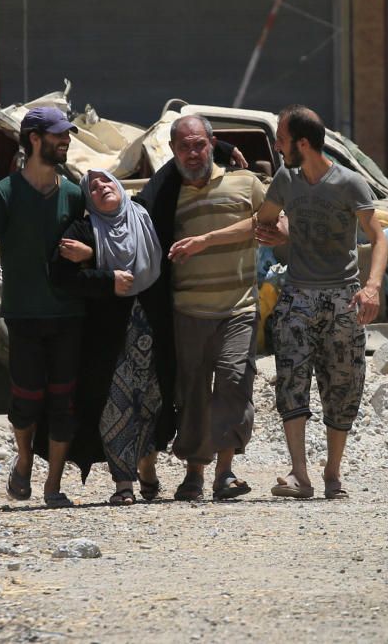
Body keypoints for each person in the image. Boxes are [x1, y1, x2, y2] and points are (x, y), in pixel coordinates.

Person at [255, 104, 387, 499]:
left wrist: (373, 287)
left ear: (303, 143)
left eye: (281, 139)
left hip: (343, 298)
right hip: (296, 295)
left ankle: (333, 473)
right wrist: (282, 231)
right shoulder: (285, 179)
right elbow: (265, 219)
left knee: (343, 384)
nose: (277, 146)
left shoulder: (349, 183)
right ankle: (300, 474)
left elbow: (378, 238)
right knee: (292, 380)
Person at [138, 114, 267, 501]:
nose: (193, 154)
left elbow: (276, 222)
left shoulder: (246, 182)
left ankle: (224, 473)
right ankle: (194, 471)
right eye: (184, 147)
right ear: (174, 151)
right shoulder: (168, 194)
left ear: (212, 143)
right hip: (188, 312)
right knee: (191, 393)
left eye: (200, 145)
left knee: (233, 381)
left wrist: (207, 240)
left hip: (239, 308)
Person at [0, 106, 85, 509]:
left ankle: (53, 485)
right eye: (57, 135)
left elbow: (99, 241)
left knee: (64, 401)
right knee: (26, 400)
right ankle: (23, 459)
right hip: (24, 314)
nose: (65, 141)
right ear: (34, 139)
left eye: (66, 135)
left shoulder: (73, 193)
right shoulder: (4, 194)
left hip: (68, 314)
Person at [50, 169, 164, 505]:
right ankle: (123, 483)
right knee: (116, 407)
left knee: (152, 405)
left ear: (119, 186)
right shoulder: (84, 230)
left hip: (155, 333)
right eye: (93, 187)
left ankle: (147, 467)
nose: (101, 187)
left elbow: (171, 172)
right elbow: (59, 275)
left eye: (106, 182)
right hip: (109, 341)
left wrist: (224, 147)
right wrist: (105, 278)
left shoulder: (144, 215)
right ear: (88, 199)